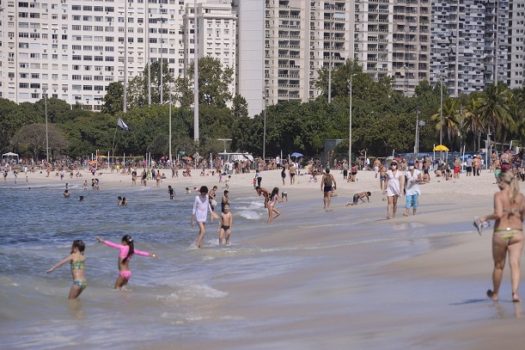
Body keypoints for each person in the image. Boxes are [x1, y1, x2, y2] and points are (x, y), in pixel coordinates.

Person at [476, 172, 525, 302]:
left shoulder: (499, 195)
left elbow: (498, 214)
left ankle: (495, 294)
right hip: (516, 232)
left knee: (499, 265)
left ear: (502, 182)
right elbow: (523, 216)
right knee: (515, 264)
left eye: (498, 182)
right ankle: (515, 293)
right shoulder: (520, 197)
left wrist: (484, 217)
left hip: (501, 232)